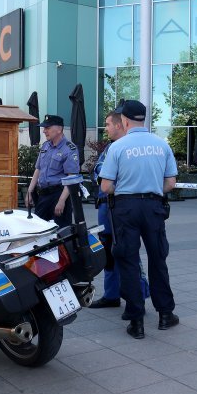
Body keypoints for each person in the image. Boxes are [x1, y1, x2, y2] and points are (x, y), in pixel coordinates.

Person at [99, 100, 178, 339]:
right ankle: (165, 314)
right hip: (154, 207)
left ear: (124, 121)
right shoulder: (161, 145)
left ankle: (136, 321)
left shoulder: (118, 147)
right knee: (157, 259)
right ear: (143, 119)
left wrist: (126, 188)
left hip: (126, 209)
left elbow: (106, 186)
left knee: (129, 262)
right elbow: (170, 184)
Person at [89, 110, 126, 309]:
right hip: (106, 207)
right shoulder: (111, 148)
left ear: (119, 125)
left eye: (108, 124)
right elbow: (98, 170)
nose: (106, 129)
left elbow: (104, 174)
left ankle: (136, 296)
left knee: (125, 251)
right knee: (108, 251)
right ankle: (112, 295)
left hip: (119, 207)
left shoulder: (124, 148)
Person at [26, 114, 80, 228]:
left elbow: (71, 178)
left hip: (59, 194)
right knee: (38, 230)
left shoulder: (69, 149)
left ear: (59, 129)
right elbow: (38, 169)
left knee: (61, 233)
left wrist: (61, 201)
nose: (44, 131)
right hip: (43, 195)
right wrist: (29, 192)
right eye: (44, 128)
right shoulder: (45, 146)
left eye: (48, 128)